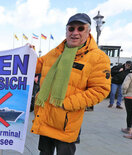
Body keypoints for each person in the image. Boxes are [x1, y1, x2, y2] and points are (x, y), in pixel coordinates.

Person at [30, 13, 111, 155]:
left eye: (80, 28)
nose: (75, 33)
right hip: (45, 116)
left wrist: (66, 103)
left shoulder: (98, 58)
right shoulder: (55, 52)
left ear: (88, 31)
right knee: (44, 152)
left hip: (67, 123)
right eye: (71, 29)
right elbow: (34, 66)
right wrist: (28, 54)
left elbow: (100, 90)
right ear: (66, 30)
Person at [121, 72, 132, 139]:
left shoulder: (130, 76)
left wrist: (124, 93)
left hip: (130, 97)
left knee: (130, 114)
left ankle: (129, 129)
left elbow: (124, 86)